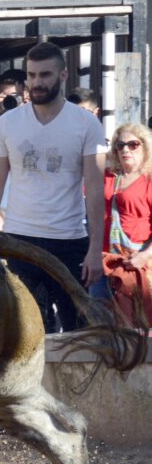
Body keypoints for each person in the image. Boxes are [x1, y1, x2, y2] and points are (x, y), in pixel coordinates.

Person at [0, 42, 108, 333]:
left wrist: (95, 250)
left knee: (77, 333)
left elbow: (95, 188)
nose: (37, 82)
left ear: (63, 76)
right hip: (19, 239)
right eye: (32, 75)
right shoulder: (7, 123)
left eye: (45, 75)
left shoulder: (86, 124)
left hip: (69, 238)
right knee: (27, 334)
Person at [95, 124, 152, 322]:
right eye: (120, 145)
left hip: (136, 264)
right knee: (101, 325)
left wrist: (145, 256)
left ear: (145, 147)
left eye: (133, 144)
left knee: (135, 326)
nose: (126, 150)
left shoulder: (149, 179)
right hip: (103, 261)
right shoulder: (109, 175)